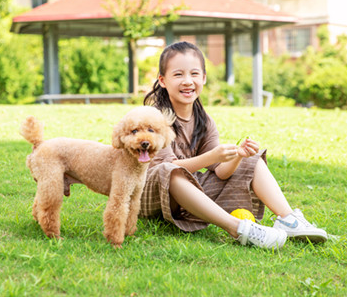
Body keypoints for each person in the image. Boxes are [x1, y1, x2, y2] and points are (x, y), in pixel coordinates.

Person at [140, 41, 327, 249]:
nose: (187, 81)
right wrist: (211, 157)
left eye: (194, 74)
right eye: (178, 75)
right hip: (151, 196)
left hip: (186, 199)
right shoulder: (153, 117)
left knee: (251, 160)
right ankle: (237, 228)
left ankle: (289, 219)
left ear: (203, 78)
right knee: (170, 171)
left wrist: (238, 155)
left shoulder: (203, 120)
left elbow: (221, 172)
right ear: (162, 80)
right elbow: (165, 170)